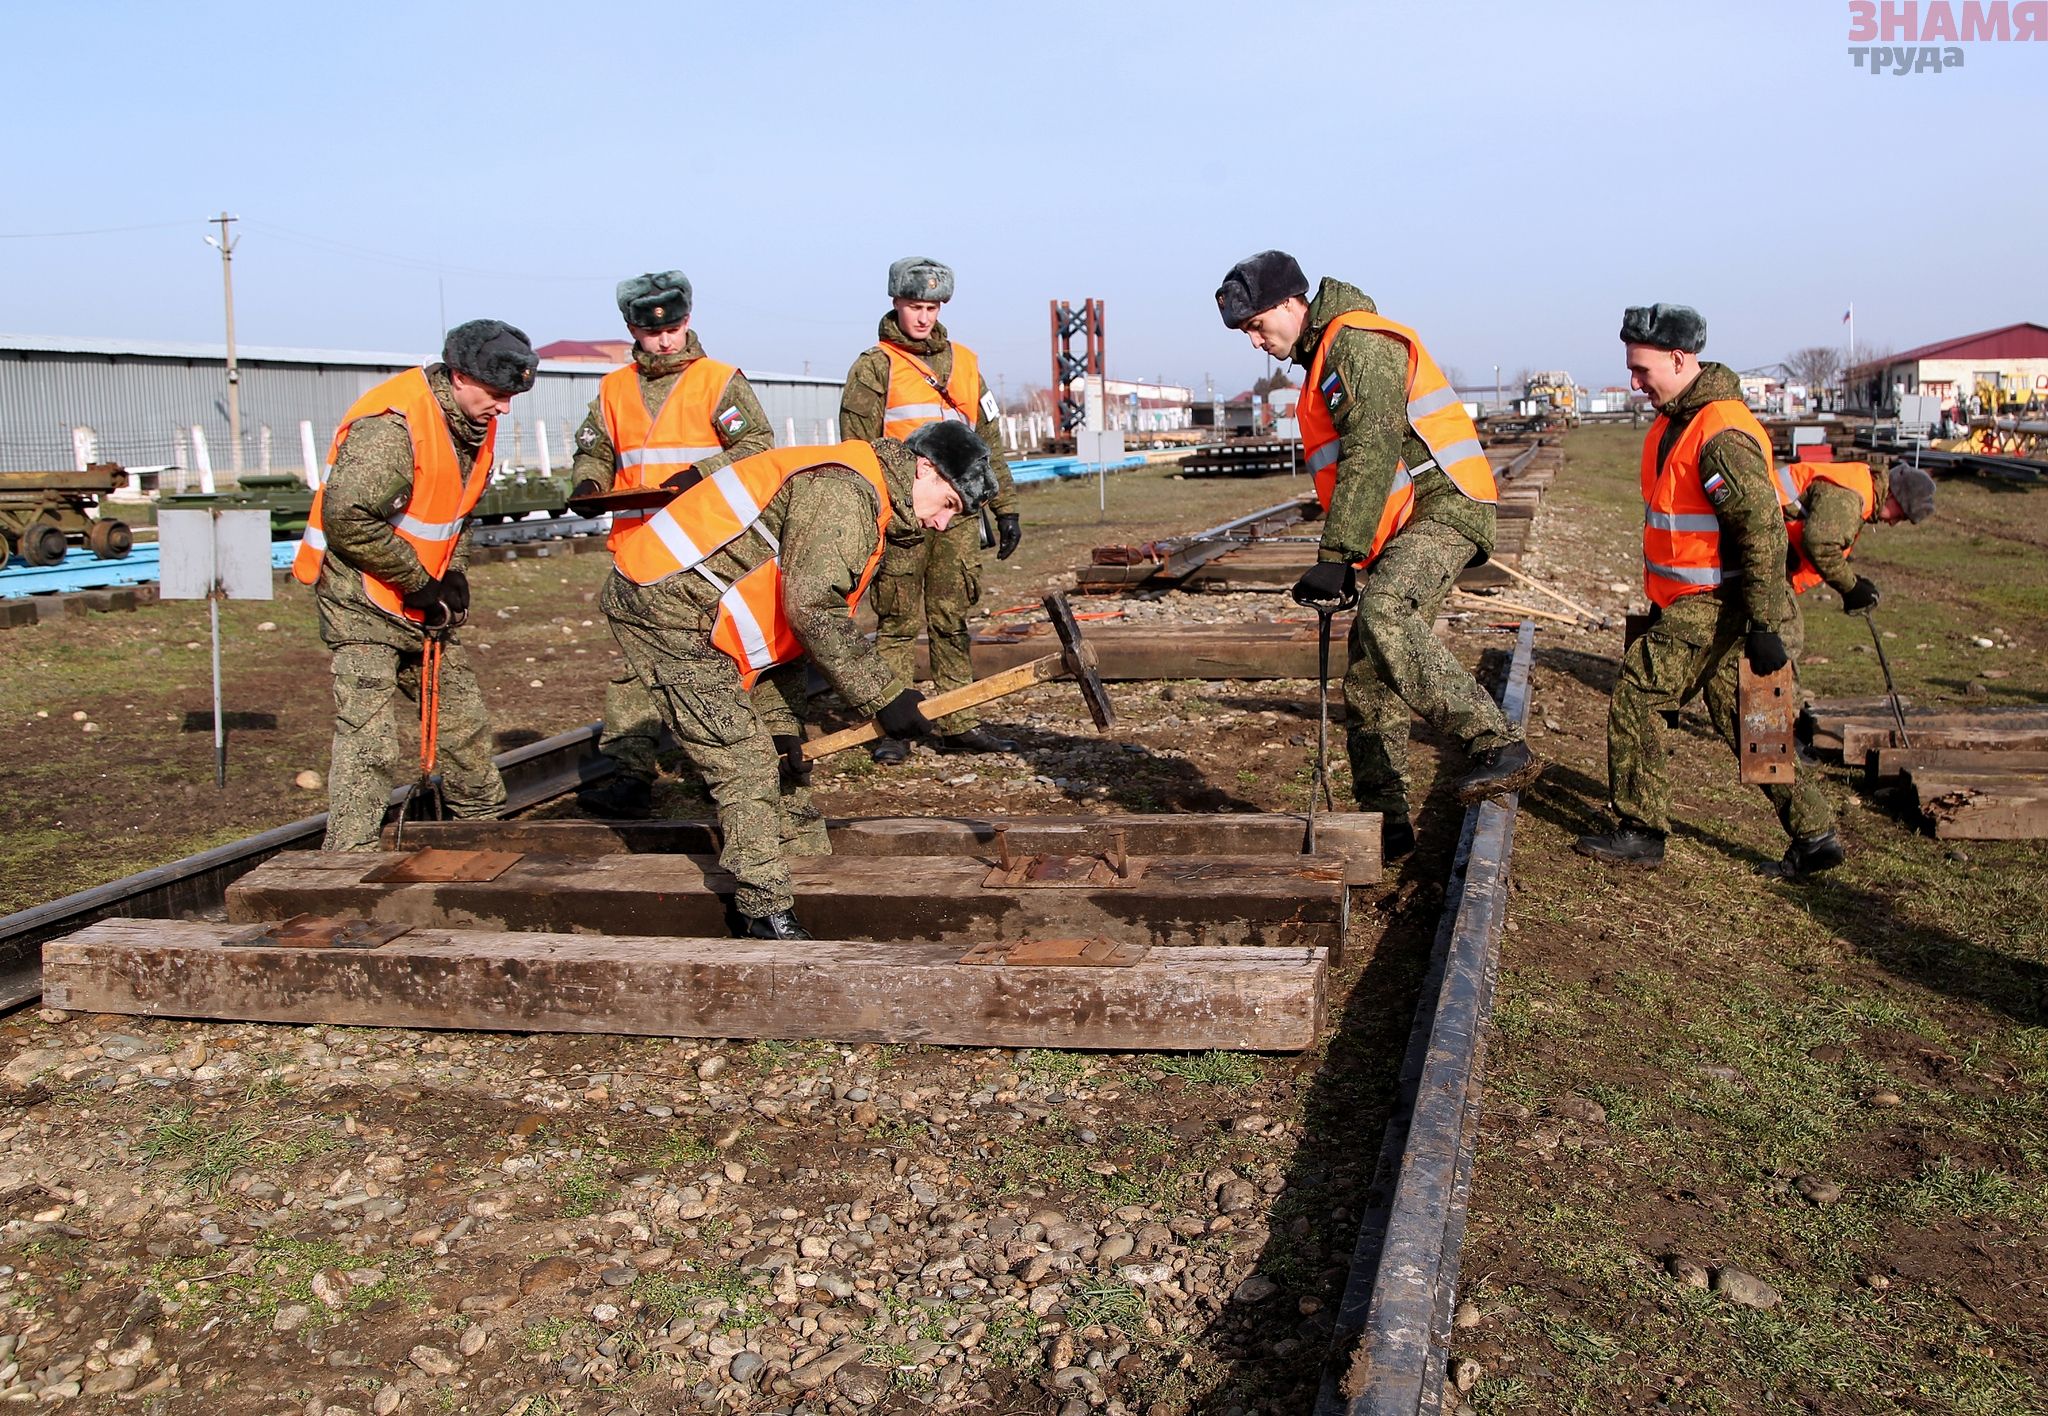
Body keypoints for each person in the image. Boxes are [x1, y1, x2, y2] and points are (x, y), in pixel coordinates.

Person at [599, 420, 998, 940]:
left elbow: (790, 626)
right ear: (925, 467)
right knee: (745, 761)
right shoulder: (846, 492)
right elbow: (811, 609)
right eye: (948, 503)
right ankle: (764, 914)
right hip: (664, 609)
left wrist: (782, 720)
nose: (943, 524)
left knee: (782, 752)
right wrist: (884, 696)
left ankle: (811, 870)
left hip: (717, 612)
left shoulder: (871, 496)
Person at [1214, 250, 1541, 861]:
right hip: (1405, 520)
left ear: (1292, 304)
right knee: (1368, 675)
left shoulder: (1356, 344)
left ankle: (1497, 743)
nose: (1256, 342)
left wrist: (1338, 553)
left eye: (1258, 325)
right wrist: (1348, 552)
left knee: (1386, 613)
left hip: (1446, 506)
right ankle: (1383, 827)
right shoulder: (1322, 360)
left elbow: (1371, 447)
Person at [1574, 304, 1841, 879]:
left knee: (1639, 692)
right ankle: (1815, 835)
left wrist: (1767, 624)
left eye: (1642, 369)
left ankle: (1642, 830)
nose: (1634, 381)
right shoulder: (1679, 421)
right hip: (1696, 600)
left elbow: (1763, 530)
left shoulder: (1719, 430)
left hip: (1716, 602)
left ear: (1678, 358)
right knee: (1751, 722)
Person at [292, 320, 538, 851]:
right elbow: (349, 517)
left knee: (462, 720)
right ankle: (347, 860)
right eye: (497, 394)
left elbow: (458, 508)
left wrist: (455, 572)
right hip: (363, 600)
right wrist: (418, 580)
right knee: (369, 739)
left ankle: (482, 828)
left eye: (512, 396)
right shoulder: (393, 425)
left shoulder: (472, 423)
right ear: (458, 376)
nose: (505, 408)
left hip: (420, 601)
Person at [566, 271, 776, 818]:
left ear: (687, 320)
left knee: (719, 657)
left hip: (707, 548)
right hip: (638, 548)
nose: (664, 340)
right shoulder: (612, 390)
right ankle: (629, 774)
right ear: (632, 329)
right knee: (637, 665)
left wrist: (699, 473)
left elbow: (757, 445)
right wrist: (589, 483)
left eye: (674, 328)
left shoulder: (718, 380)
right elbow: (595, 448)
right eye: (650, 331)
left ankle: (728, 767)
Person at [839, 257, 1021, 763]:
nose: (923, 317)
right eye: (915, 306)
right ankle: (891, 727)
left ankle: (958, 721)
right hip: (900, 517)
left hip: (958, 516)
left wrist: (1004, 507)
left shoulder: (965, 362)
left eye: (932, 307)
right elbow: (857, 448)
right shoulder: (874, 367)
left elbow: (989, 443)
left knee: (951, 616)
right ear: (895, 303)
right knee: (896, 621)